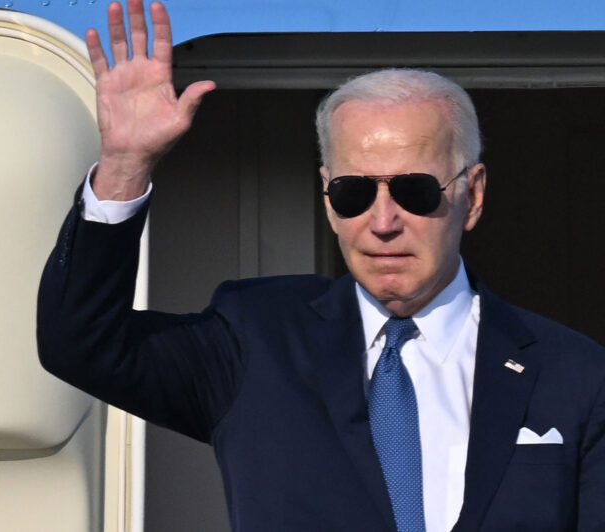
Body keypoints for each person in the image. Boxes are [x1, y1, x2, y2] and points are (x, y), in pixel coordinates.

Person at [36, 1, 605, 530]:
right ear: (328, 200)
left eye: (415, 191)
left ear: (472, 196)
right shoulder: (255, 336)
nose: (383, 221)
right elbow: (81, 342)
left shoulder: (572, 372)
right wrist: (125, 166)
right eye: (354, 193)